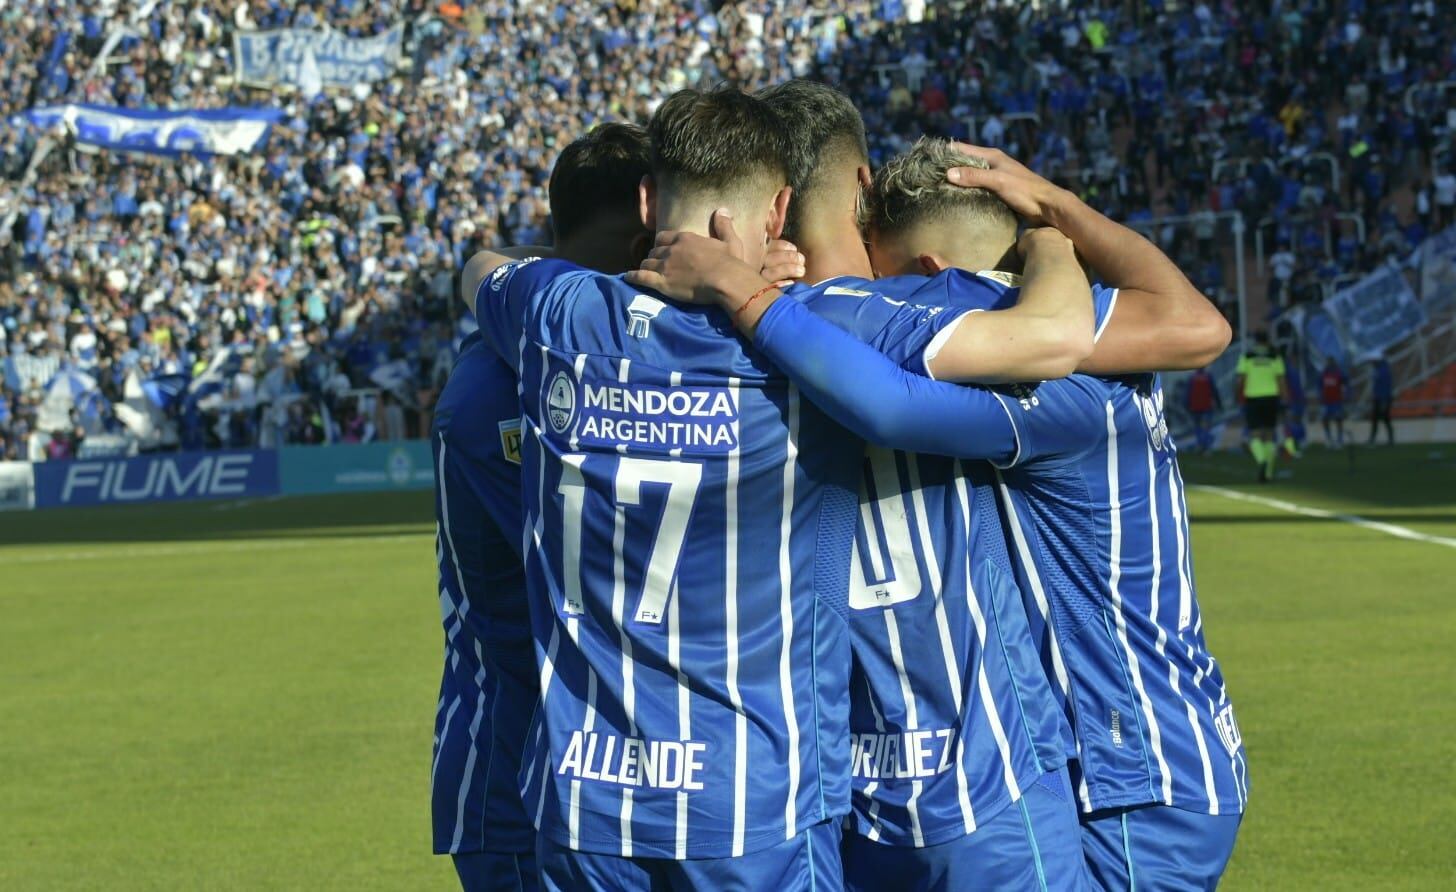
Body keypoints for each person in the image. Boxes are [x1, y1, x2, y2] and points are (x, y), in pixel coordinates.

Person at [463, 86, 1087, 891]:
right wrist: (1050, 234)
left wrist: (614, 277)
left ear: (649, 202)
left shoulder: (558, 310)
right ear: (779, 208)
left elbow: (478, 269)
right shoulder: (812, 328)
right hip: (754, 803)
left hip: (587, 808)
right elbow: (1057, 338)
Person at [634, 105, 1233, 890]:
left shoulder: (1010, 339)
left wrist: (741, 288)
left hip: (1136, 766)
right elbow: (1190, 320)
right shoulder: (1022, 325)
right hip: (1128, 753)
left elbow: (896, 404)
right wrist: (1053, 217)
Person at [431, 122, 652, 892]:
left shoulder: (592, 350)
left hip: (596, 768)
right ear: (646, 227)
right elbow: (598, 579)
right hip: (523, 775)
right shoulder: (501, 386)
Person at [1235, 333, 1287, 481]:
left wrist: (1238, 394)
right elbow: (1281, 379)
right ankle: (1268, 473)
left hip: (1253, 397)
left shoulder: (1247, 356)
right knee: (1269, 434)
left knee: (1255, 434)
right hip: (1271, 397)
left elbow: (1241, 379)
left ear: (1256, 341)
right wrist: (1285, 398)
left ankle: (1262, 460)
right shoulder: (1275, 356)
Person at [1185, 366, 1222, 452]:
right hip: (1206, 406)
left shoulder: (1192, 378)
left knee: (1197, 426)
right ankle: (1205, 446)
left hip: (1195, 406)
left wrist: (1187, 405)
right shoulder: (1208, 377)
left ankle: (1200, 444)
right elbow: (1215, 391)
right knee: (1205, 427)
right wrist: (1219, 404)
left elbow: (1187, 393)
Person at [1319, 357, 1349, 447]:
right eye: (1328, 362)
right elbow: (1320, 386)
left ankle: (1340, 439)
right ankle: (1329, 438)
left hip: (1336, 401)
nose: (1329, 364)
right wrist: (1320, 396)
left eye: (1331, 362)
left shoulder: (1339, 373)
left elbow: (1345, 383)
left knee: (1338, 419)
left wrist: (1345, 395)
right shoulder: (1324, 373)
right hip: (1326, 401)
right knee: (1325, 419)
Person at [1368, 355, 1395, 445]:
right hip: (1380, 397)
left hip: (1383, 398)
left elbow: (1384, 386)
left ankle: (1376, 439)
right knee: (1380, 419)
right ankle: (1386, 439)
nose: (1372, 363)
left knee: (1383, 418)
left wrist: (1384, 399)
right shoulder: (1381, 370)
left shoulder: (1382, 371)